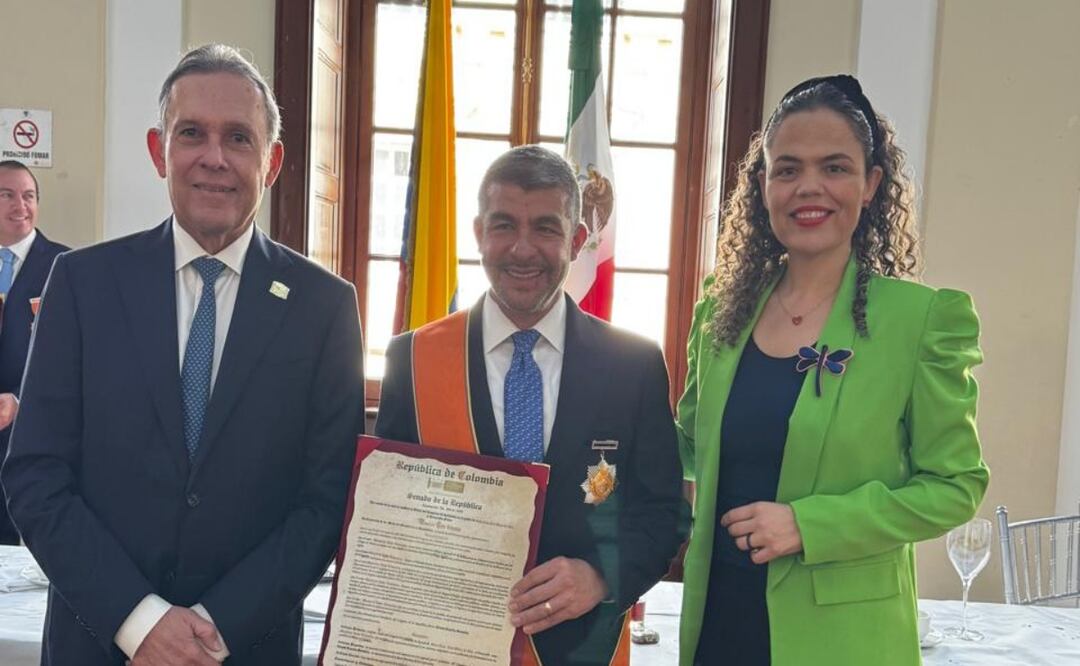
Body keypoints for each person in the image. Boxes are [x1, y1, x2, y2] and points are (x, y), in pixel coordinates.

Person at [1, 44, 365, 665]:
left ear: (272, 161)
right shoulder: (80, 285)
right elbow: (36, 476)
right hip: (99, 642)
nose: (214, 158)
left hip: (245, 647)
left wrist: (214, 627)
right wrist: (141, 622)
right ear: (158, 150)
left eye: (239, 138)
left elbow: (327, 500)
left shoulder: (323, 307)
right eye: (191, 133)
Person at [676, 75, 990, 666]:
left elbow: (955, 487)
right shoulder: (722, 310)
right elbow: (689, 446)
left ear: (871, 184)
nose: (809, 187)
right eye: (787, 168)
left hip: (844, 641)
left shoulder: (924, 321)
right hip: (721, 621)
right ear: (762, 185)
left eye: (835, 167)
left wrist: (809, 524)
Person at [375, 145, 685, 665]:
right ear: (478, 233)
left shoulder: (632, 365)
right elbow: (387, 514)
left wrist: (601, 577)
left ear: (578, 239)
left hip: (585, 647)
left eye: (545, 228)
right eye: (503, 226)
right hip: (446, 646)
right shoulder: (415, 358)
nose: (522, 249)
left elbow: (662, 515)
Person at [0, 160, 69, 545]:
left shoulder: (67, 268)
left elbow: (81, 365)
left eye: (28, 196)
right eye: (6, 195)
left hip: (31, 442)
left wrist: (21, 402)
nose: (19, 206)